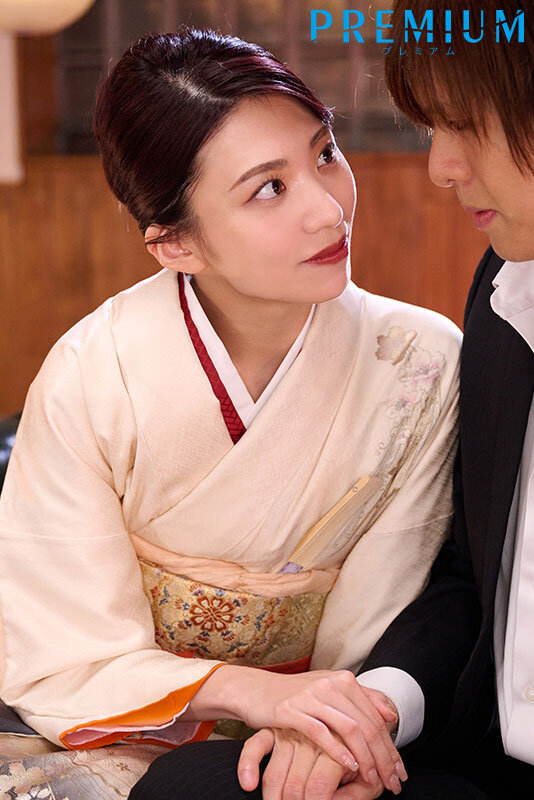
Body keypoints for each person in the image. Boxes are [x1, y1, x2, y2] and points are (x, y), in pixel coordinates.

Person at [0, 27, 461, 800]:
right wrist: (250, 693)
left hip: (317, 730)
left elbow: (381, 621)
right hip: (111, 723)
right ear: (175, 244)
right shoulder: (92, 374)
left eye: (324, 153)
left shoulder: (420, 361)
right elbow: (66, 645)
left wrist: (321, 724)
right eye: (268, 189)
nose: (328, 210)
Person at [211, 1, 534, 798]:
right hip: (484, 758)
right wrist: (371, 715)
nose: (441, 168)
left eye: (466, 124)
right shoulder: (506, 292)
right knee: (204, 783)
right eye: (433, 128)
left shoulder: (421, 348)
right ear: (170, 240)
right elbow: (473, 578)